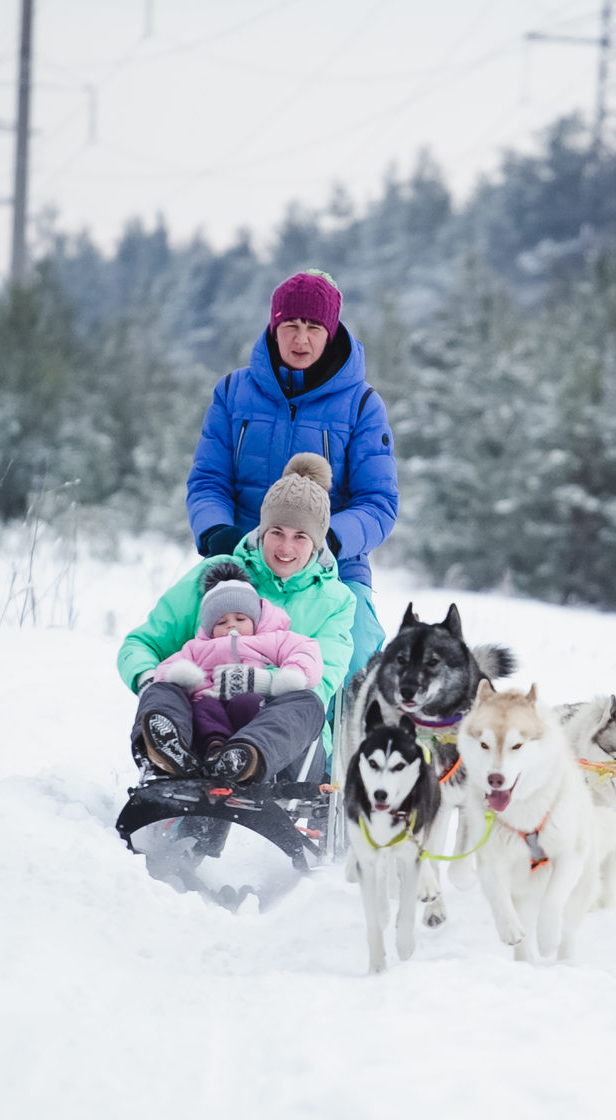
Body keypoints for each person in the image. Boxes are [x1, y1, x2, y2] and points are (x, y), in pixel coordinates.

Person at [186, 269, 396, 680]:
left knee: (356, 669)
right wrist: (217, 534)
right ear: (274, 326)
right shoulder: (232, 392)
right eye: (290, 326)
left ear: (331, 331)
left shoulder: (362, 405)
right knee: (184, 645)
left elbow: (379, 503)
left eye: (314, 327)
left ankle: (345, 744)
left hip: (333, 571)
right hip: (243, 562)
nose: (300, 340)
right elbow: (208, 481)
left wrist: (326, 540)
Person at [120, 453, 355, 785]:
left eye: (300, 536)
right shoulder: (216, 576)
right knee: (163, 686)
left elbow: (320, 679)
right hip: (202, 726)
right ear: (261, 531)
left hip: (284, 745)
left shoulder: (337, 601)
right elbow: (140, 645)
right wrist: (156, 683)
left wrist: (256, 682)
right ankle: (166, 746)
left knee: (307, 702)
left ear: (317, 542)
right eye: (277, 531)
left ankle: (245, 757)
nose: (286, 546)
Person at [147, 559, 324, 763]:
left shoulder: (271, 639)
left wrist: (290, 674)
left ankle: (244, 751)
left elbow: (304, 649)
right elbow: (166, 669)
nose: (232, 626)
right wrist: (184, 678)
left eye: (241, 619)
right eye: (221, 622)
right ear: (210, 627)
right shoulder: (197, 647)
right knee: (204, 707)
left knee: (247, 702)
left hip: (251, 704)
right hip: (210, 703)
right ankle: (216, 749)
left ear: (255, 620)